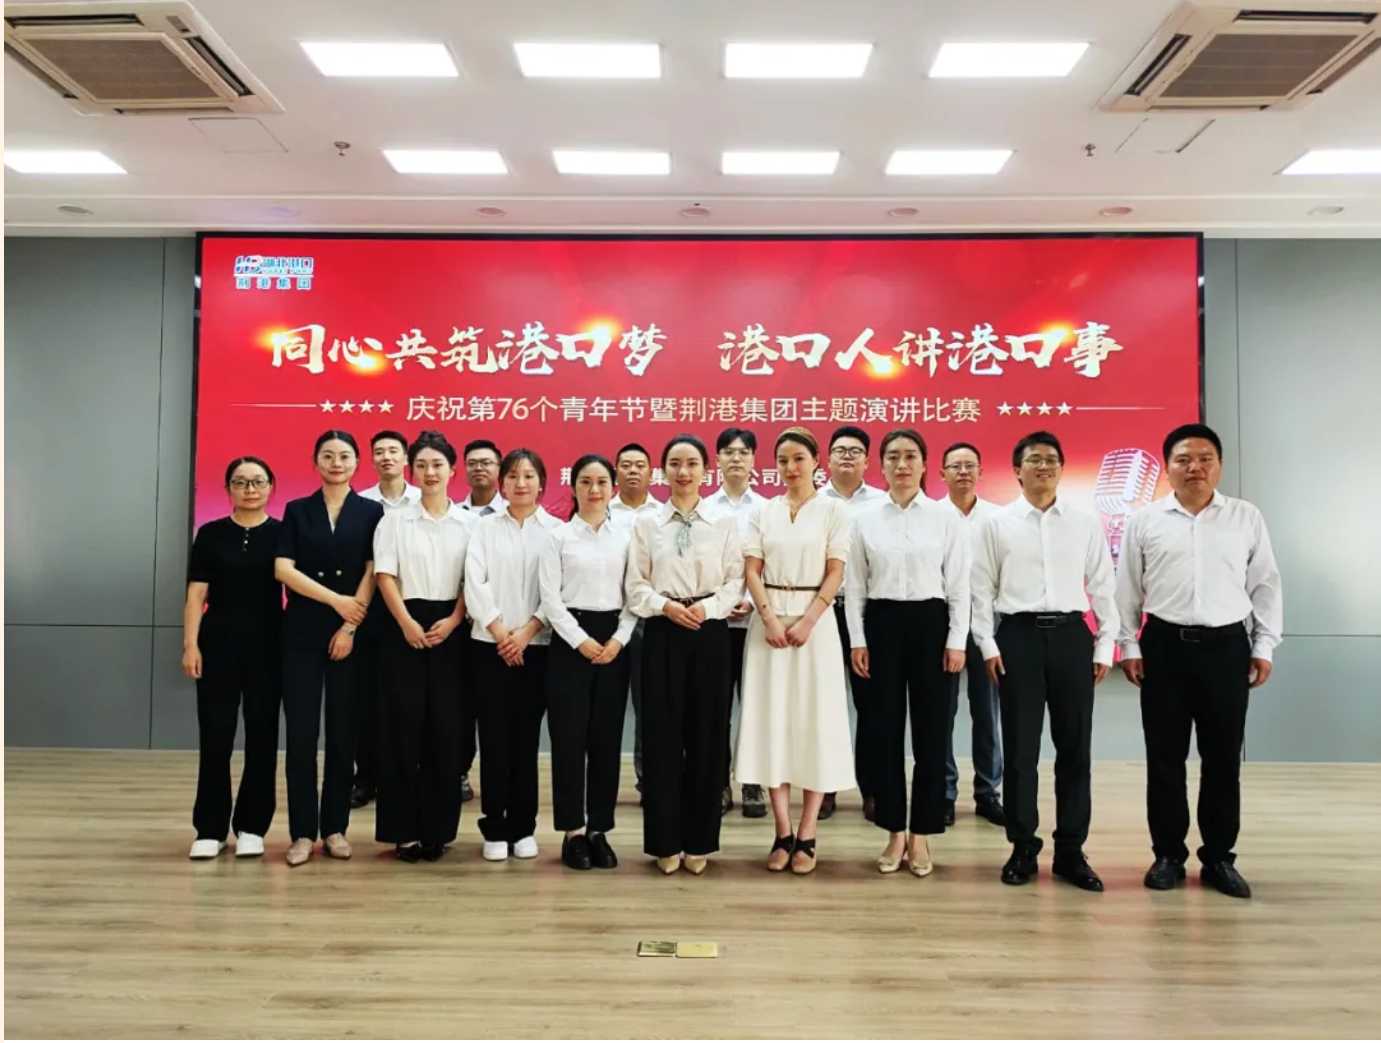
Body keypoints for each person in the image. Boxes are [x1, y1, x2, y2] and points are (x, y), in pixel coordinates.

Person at [1116, 423, 1282, 899]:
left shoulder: (1245, 517)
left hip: (1226, 648)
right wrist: (1129, 646)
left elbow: (1265, 585)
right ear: (1167, 468)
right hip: (1164, 646)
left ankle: (1219, 858)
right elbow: (1127, 588)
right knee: (1165, 758)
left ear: (1219, 465)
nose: (1195, 467)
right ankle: (1168, 855)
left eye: (1205, 458)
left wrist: (1263, 645)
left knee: (1223, 758)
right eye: (1184, 459)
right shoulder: (1144, 520)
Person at [971, 431, 1117, 892]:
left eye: (1051, 459)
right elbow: (980, 589)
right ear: (1017, 470)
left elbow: (1103, 585)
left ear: (1061, 468)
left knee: (1075, 751)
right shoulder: (997, 524)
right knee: (1020, 752)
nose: (1043, 466)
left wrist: (1105, 645)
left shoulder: (1084, 522)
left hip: (1073, 636)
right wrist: (988, 645)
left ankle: (1071, 851)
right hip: (1018, 638)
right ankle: (1022, 847)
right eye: (1034, 460)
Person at [846, 430, 969, 876]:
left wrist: (956, 641)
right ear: (881, 465)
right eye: (893, 457)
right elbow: (855, 586)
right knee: (883, 732)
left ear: (924, 465)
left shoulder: (945, 518)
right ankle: (894, 831)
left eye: (911, 456)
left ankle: (922, 835)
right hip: (880, 625)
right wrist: (857, 640)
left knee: (932, 734)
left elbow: (960, 585)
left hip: (931, 626)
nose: (902, 465)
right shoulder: (864, 520)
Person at [736, 427, 856, 875]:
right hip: (767, 626)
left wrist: (808, 620)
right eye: (783, 460)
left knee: (814, 724)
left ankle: (808, 833)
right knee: (772, 723)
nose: (790, 467)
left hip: (815, 627)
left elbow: (836, 571)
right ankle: (782, 831)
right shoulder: (763, 511)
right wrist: (769, 618)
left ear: (815, 462)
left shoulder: (834, 511)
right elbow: (751, 569)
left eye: (799, 459)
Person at [625, 434, 743, 875]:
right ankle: (664, 841)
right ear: (663, 471)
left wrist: (706, 609)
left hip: (710, 632)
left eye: (692, 463)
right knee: (661, 738)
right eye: (675, 463)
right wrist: (666, 607)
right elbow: (635, 585)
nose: (683, 471)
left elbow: (736, 581)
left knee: (707, 737)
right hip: (661, 631)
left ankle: (700, 841)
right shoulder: (647, 524)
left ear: (705, 471)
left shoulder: (725, 522)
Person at [275, 430, 384, 866]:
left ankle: (335, 828)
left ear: (356, 462)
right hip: (302, 631)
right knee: (301, 735)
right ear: (315, 462)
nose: (336, 463)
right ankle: (302, 832)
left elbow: (375, 570)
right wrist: (336, 600)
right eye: (328, 455)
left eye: (344, 456)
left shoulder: (371, 511)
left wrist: (349, 625)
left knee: (343, 734)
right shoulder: (297, 510)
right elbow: (283, 569)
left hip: (352, 635)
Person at [372, 431, 474, 862]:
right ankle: (403, 831)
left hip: (453, 630)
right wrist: (406, 623)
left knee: (446, 733)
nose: (430, 473)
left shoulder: (470, 523)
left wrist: (454, 619)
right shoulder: (394, 520)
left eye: (438, 465)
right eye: (422, 465)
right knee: (402, 731)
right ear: (411, 470)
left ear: (452, 470)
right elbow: (384, 575)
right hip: (403, 627)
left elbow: (474, 579)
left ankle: (438, 830)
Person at [540, 454, 637, 871]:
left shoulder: (627, 538)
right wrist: (581, 641)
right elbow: (550, 599)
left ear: (613, 487)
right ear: (574, 487)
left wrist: (618, 639)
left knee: (605, 741)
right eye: (585, 482)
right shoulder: (558, 538)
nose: (594, 490)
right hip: (569, 644)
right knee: (568, 740)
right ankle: (572, 832)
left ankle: (599, 829)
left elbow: (635, 595)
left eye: (601, 482)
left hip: (614, 643)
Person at [463, 448, 561, 862]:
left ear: (542, 483)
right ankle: (495, 826)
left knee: (525, 741)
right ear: (501, 483)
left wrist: (527, 632)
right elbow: (474, 582)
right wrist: (502, 632)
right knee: (494, 739)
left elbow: (557, 592)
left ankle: (523, 827)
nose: (521, 483)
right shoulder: (483, 529)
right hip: (489, 647)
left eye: (529, 475)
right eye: (513, 476)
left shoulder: (556, 531)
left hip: (537, 649)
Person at [183, 456, 283, 860]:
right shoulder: (210, 534)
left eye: (258, 481)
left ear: (271, 487)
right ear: (228, 489)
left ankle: (252, 827)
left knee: (262, 737)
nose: (250, 489)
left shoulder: (283, 533)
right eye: (240, 482)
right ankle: (210, 828)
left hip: (269, 646)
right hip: (218, 644)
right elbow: (196, 594)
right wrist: (190, 644)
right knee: (215, 735)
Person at [820, 425, 888, 821]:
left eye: (855, 451)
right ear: (827, 460)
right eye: (840, 450)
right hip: (822, 612)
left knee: (872, 706)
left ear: (867, 461)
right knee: (825, 705)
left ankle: (873, 789)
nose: (847, 456)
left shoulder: (882, 503)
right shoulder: (812, 501)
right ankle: (823, 789)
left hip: (867, 613)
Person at [937, 442, 1006, 828]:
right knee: (942, 712)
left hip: (987, 625)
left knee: (987, 709)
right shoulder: (932, 516)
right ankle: (944, 792)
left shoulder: (997, 518)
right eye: (955, 466)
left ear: (980, 471)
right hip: (943, 625)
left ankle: (987, 792)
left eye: (969, 466)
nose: (963, 472)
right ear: (942, 473)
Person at [352, 429, 421, 810]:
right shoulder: (361, 503)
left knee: (408, 699)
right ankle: (366, 777)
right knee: (367, 698)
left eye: (394, 451)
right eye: (379, 451)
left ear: (406, 458)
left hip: (415, 609)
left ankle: (409, 775)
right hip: (371, 610)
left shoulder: (424, 500)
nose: (386, 457)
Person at [705, 427, 768, 819]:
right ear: (717, 460)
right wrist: (723, 601)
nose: (736, 458)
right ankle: (717, 783)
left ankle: (752, 782)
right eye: (728, 452)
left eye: (743, 452)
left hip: (757, 623)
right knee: (716, 707)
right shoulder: (704, 508)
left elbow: (769, 564)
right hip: (714, 622)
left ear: (753, 460)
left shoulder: (766, 509)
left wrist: (751, 602)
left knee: (755, 706)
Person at [608, 442, 663, 803]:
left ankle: (648, 779)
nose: (632, 471)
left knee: (649, 705)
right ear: (616, 470)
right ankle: (603, 783)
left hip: (648, 620)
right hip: (608, 620)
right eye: (625, 464)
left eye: (639, 465)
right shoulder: (601, 510)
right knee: (609, 706)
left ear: (651, 472)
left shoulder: (662, 514)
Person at [456, 438, 506, 805]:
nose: (479, 468)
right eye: (472, 462)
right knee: (460, 707)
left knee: (495, 711)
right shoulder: (454, 513)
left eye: (486, 462)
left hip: (500, 629)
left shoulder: (514, 512)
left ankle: (500, 781)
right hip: (457, 623)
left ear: (499, 469)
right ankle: (458, 772)